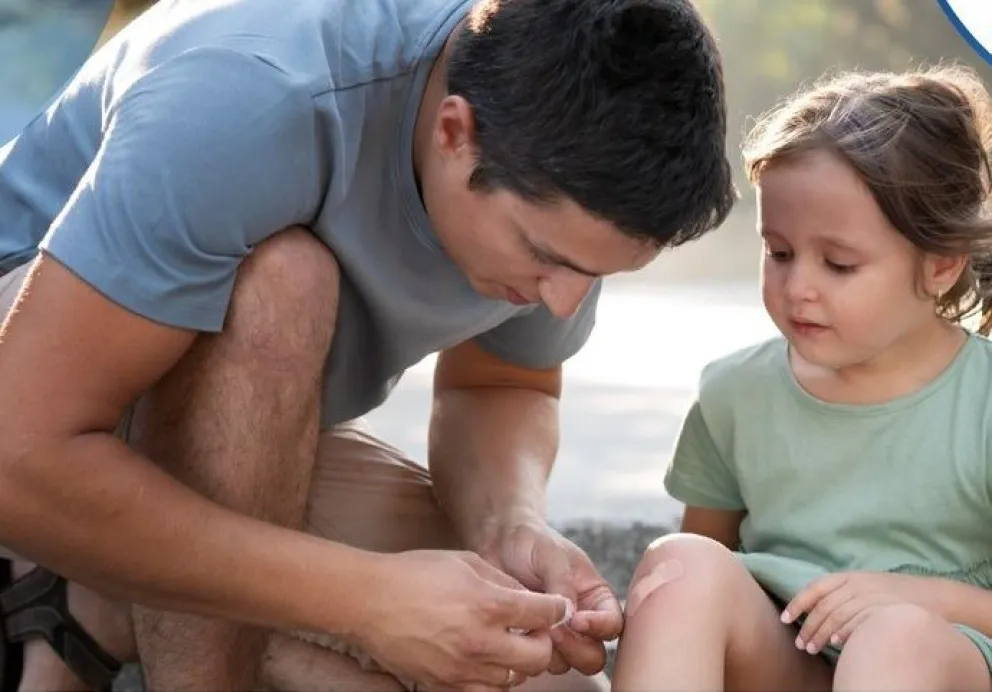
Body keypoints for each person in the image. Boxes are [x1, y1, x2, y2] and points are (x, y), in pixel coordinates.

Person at [0, 0, 735, 690]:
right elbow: (17, 458)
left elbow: (499, 385)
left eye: (594, 272)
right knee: (284, 284)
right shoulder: (250, 100)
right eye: (545, 255)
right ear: (454, 132)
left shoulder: (556, 158)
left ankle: (88, 604)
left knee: (538, 669)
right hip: (35, 389)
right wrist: (362, 601)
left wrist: (509, 523)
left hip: (208, 438)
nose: (564, 299)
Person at [611, 64, 992, 692]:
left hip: (937, 660)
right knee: (679, 567)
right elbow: (712, 575)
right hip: (789, 659)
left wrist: (911, 597)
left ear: (942, 266)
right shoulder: (734, 395)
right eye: (778, 252)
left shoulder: (980, 402)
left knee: (895, 638)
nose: (798, 288)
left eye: (838, 264)